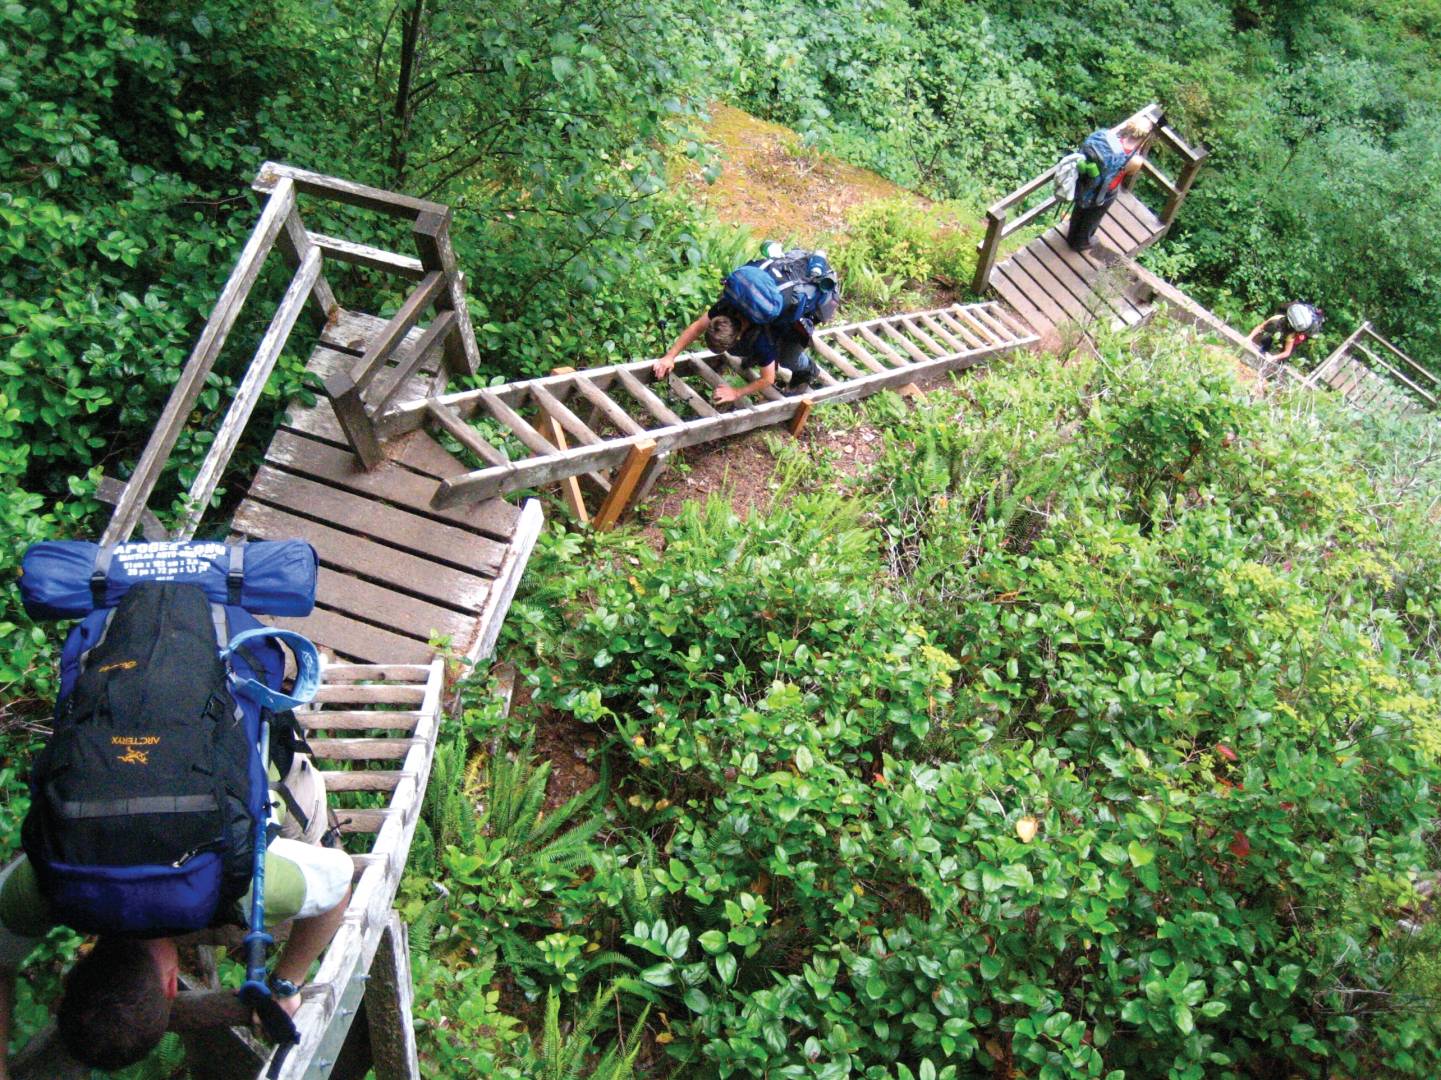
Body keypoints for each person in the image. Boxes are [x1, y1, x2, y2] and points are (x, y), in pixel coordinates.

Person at [0, 754, 351, 1074]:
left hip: (267, 763)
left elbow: (339, 883)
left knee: (311, 841)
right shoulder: (55, 876)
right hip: (146, 737)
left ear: (171, 985)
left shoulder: (239, 883)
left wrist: (285, 984)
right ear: (73, 972)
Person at [653, 306, 815, 404]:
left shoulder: (762, 340)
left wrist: (736, 392)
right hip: (762, 327)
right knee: (744, 352)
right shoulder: (724, 309)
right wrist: (670, 356)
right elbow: (696, 328)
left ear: (737, 337)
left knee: (788, 358)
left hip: (790, 327)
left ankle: (808, 369)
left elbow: (768, 379)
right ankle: (756, 358)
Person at [1066, 119, 1151, 253]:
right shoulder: (1135, 160)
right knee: (1093, 217)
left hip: (1088, 180)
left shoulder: (1111, 139)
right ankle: (1081, 243)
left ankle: (1071, 235)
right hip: (1106, 190)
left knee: (1080, 208)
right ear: (1144, 138)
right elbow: (1128, 173)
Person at [1248, 301, 1324, 362]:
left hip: (1296, 334)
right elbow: (1261, 327)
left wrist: (1273, 357)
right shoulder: (1277, 318)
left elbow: (1287, 352)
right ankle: (1264, 347)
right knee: (1267, 337)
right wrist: (1249, 338)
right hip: (1283, 328)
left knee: (1282, 356)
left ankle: (1276, 364)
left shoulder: (1291, 334)